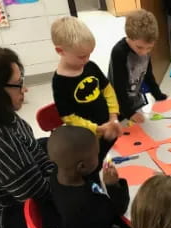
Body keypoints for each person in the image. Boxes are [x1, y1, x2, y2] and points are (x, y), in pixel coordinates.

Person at [0, 44, 55, 228]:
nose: (25, 88)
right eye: (18, 84)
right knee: (76, 199)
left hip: (15, 183)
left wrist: (52, 166)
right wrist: (70, 181)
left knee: (61, 145)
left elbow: (30, 144)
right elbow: (36, 193)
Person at [50, 16, 122, 181]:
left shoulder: (90, 66)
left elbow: (108, 90)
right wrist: (97, 129)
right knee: (94, 170)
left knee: (115, 161)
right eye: (81, 56)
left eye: (89, 54)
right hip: (89, 140)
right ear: (60, 51)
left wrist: (113, 117)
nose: (87, 60)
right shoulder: (60, 82)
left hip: (109, 127)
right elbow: (69, 117)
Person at [108, 9, 167, 124]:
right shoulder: (119, 52)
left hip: (135, 100)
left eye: (149, 48)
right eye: (139, 47)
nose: (144, 52)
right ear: (129, 36)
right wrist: (129, 113)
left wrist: (158, 95)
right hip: (118, 105)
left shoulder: (145, 50)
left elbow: (148, 75)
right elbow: (118, 87)